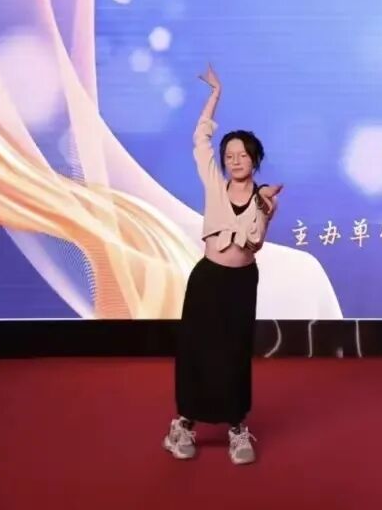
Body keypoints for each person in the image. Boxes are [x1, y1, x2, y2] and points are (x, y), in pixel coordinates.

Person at [162, 65, 282, 465]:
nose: (235, 160)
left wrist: (265, 208)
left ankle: (237, 428)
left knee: (234, 351)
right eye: (229, 155)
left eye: (242, 155)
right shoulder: (215, 184)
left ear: (254, 159)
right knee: (196, 349)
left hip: (241, 281)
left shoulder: (264, 199)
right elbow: (200, 139)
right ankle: (182, 425)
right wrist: (215, 94)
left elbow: (255, 242)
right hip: (208, 279)